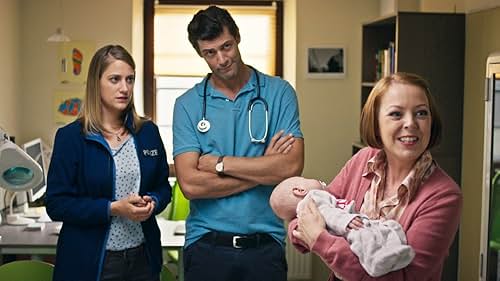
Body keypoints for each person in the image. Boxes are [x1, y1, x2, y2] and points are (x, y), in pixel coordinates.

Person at [172, 5, 304, 281]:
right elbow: (191, 185)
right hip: (206, 245)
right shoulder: (187, 105)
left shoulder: (279, 93)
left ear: (238, 38)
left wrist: (219, 164)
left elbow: (291, 167)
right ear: (201, 54)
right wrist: (264, 170)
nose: (221, 59)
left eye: (226, 46)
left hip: (264, 245)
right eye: (210, 53)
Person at [289, 72, 462, 280]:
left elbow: (404, 277)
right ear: (376, 124)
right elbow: (309, 211)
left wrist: (320, 239)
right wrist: (304, 229)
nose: (411, 123)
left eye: (421, 113)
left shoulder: (444, 196)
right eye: (396, 114)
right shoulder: (362, 160)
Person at [46, 45, 172, 281]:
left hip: (143, 259)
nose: (124, 88)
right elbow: (56, 204)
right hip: (92, 263)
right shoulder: (72, 138)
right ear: (96, 82)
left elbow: (163, 187)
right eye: (115, 79)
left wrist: (153, 202)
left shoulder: (147, 132)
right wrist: (112, 208)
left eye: (130, 79)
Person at [270, 176, 415, 277]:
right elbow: (328, 213)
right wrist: (344, 222)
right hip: (348, 229)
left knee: (380, 230)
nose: (320, 181)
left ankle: (392, 251)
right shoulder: (313, 198)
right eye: (306, 180)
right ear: (300, 190)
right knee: (366, 238)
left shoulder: (305, 211)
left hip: (345, 230)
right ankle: (377, 261)